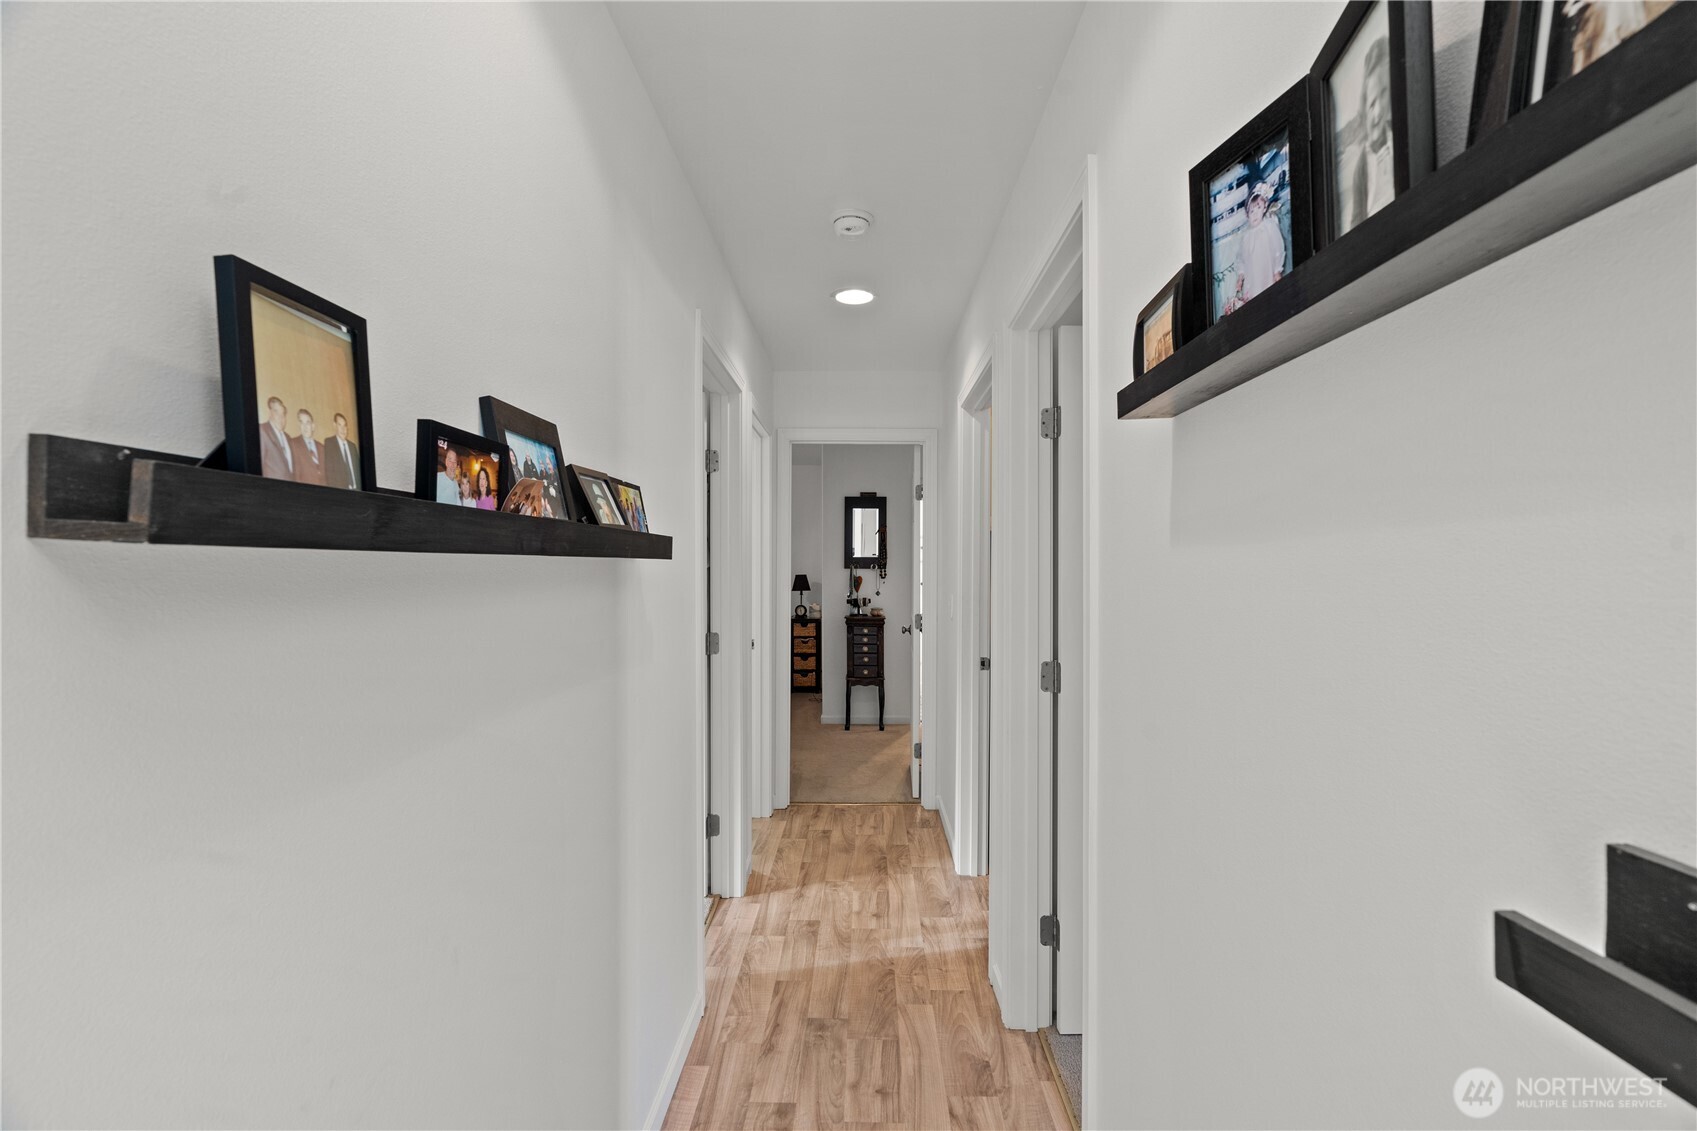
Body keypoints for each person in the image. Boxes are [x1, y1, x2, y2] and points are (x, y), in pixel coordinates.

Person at [1343, 37, 1394, 233]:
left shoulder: (1398, 143)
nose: (1378, 111)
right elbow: (1355, 228)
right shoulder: (1362, 167)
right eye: (1372, 102)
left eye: (1385, 94)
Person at [1236, 181, 1286, 305]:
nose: (1255, 214)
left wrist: (1277, 270)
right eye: (1252, 211)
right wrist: (1240, 277)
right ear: (1247, 215)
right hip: (1253, 275)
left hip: (1267, 270)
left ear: (1264, 208)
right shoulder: (1246, 236)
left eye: (1258, 208)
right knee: (1255, 297)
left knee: (1271, 295)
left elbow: (1277, 248)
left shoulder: (1269, 226)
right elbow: (1241, 258)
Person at [258, 396, 293, 479]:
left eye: (283, 414)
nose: (281, 418)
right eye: (277, 412)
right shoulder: (262, 431)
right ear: (270, 413)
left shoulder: (288, 438)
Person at [323, 412, 360, 490]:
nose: (343, 429)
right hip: (341, 492)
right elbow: (329, 474)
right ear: (334, 426)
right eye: (340, 425)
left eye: (344, 425)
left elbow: (358, 471)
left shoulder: (353, 446)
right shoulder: (329, 443)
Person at [291, 409, 327, 486]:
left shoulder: (322, 447)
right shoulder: (293, 444)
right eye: (301, 423)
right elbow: (296, 476)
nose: (305, 427)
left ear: (313, 426)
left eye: (308, 422)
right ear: (299, 426)